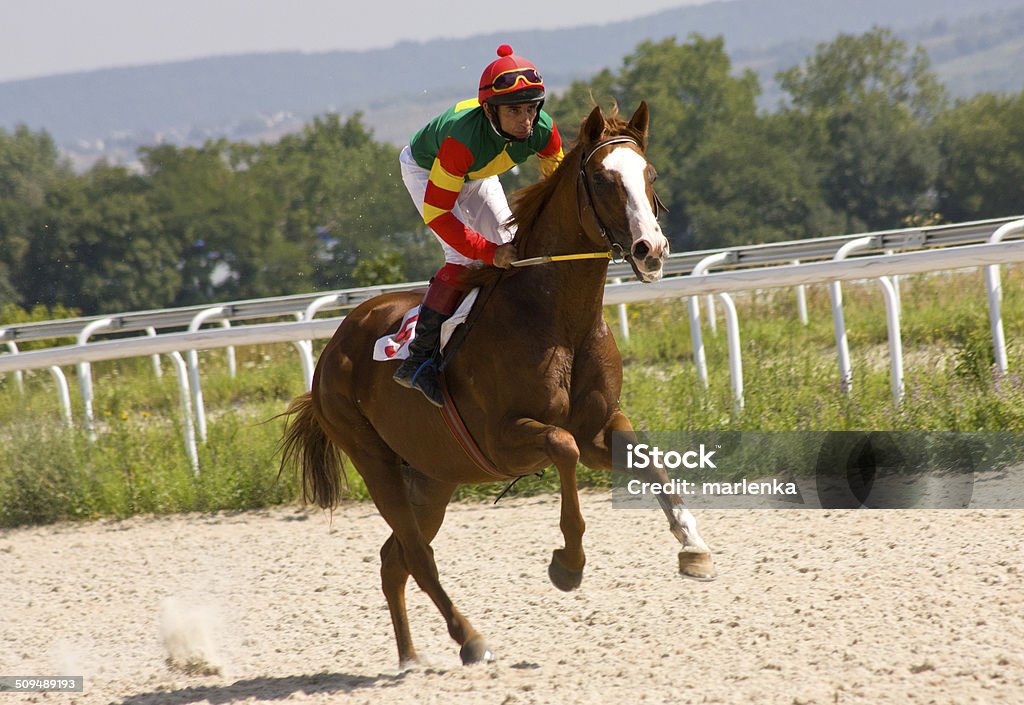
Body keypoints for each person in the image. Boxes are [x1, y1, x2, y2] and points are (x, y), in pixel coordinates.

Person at [393, 44, 564, 406]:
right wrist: (487, 251)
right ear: (489, 110)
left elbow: (557, 190)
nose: (526, 121)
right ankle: (418, 358)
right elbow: (438, 214)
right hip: (430, 169)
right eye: (515, 110)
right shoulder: (461, 142)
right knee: (465, 257)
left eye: (532, 108)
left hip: (478, 172)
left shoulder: (544, 131)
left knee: (511, 245)